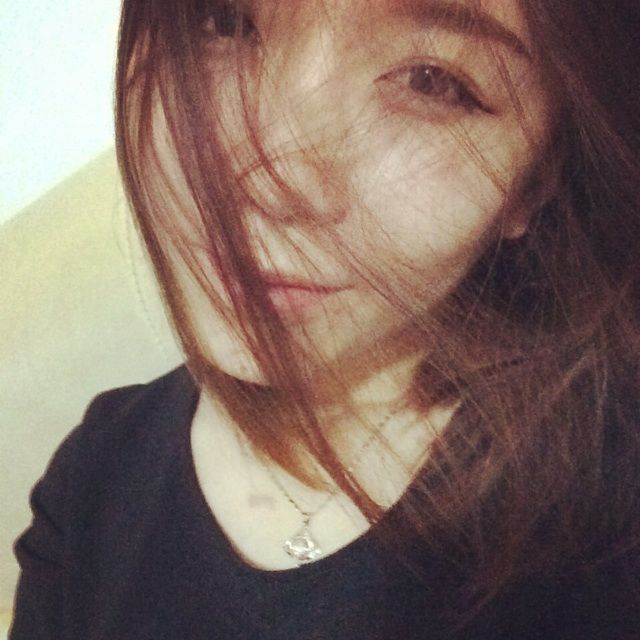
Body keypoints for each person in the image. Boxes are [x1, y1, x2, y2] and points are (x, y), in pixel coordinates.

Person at [10, 0, 640, 638]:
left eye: (432, 82)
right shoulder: (91, 483)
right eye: (221, 22)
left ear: (533, 184)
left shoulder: (602, 506)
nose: (271, 181)